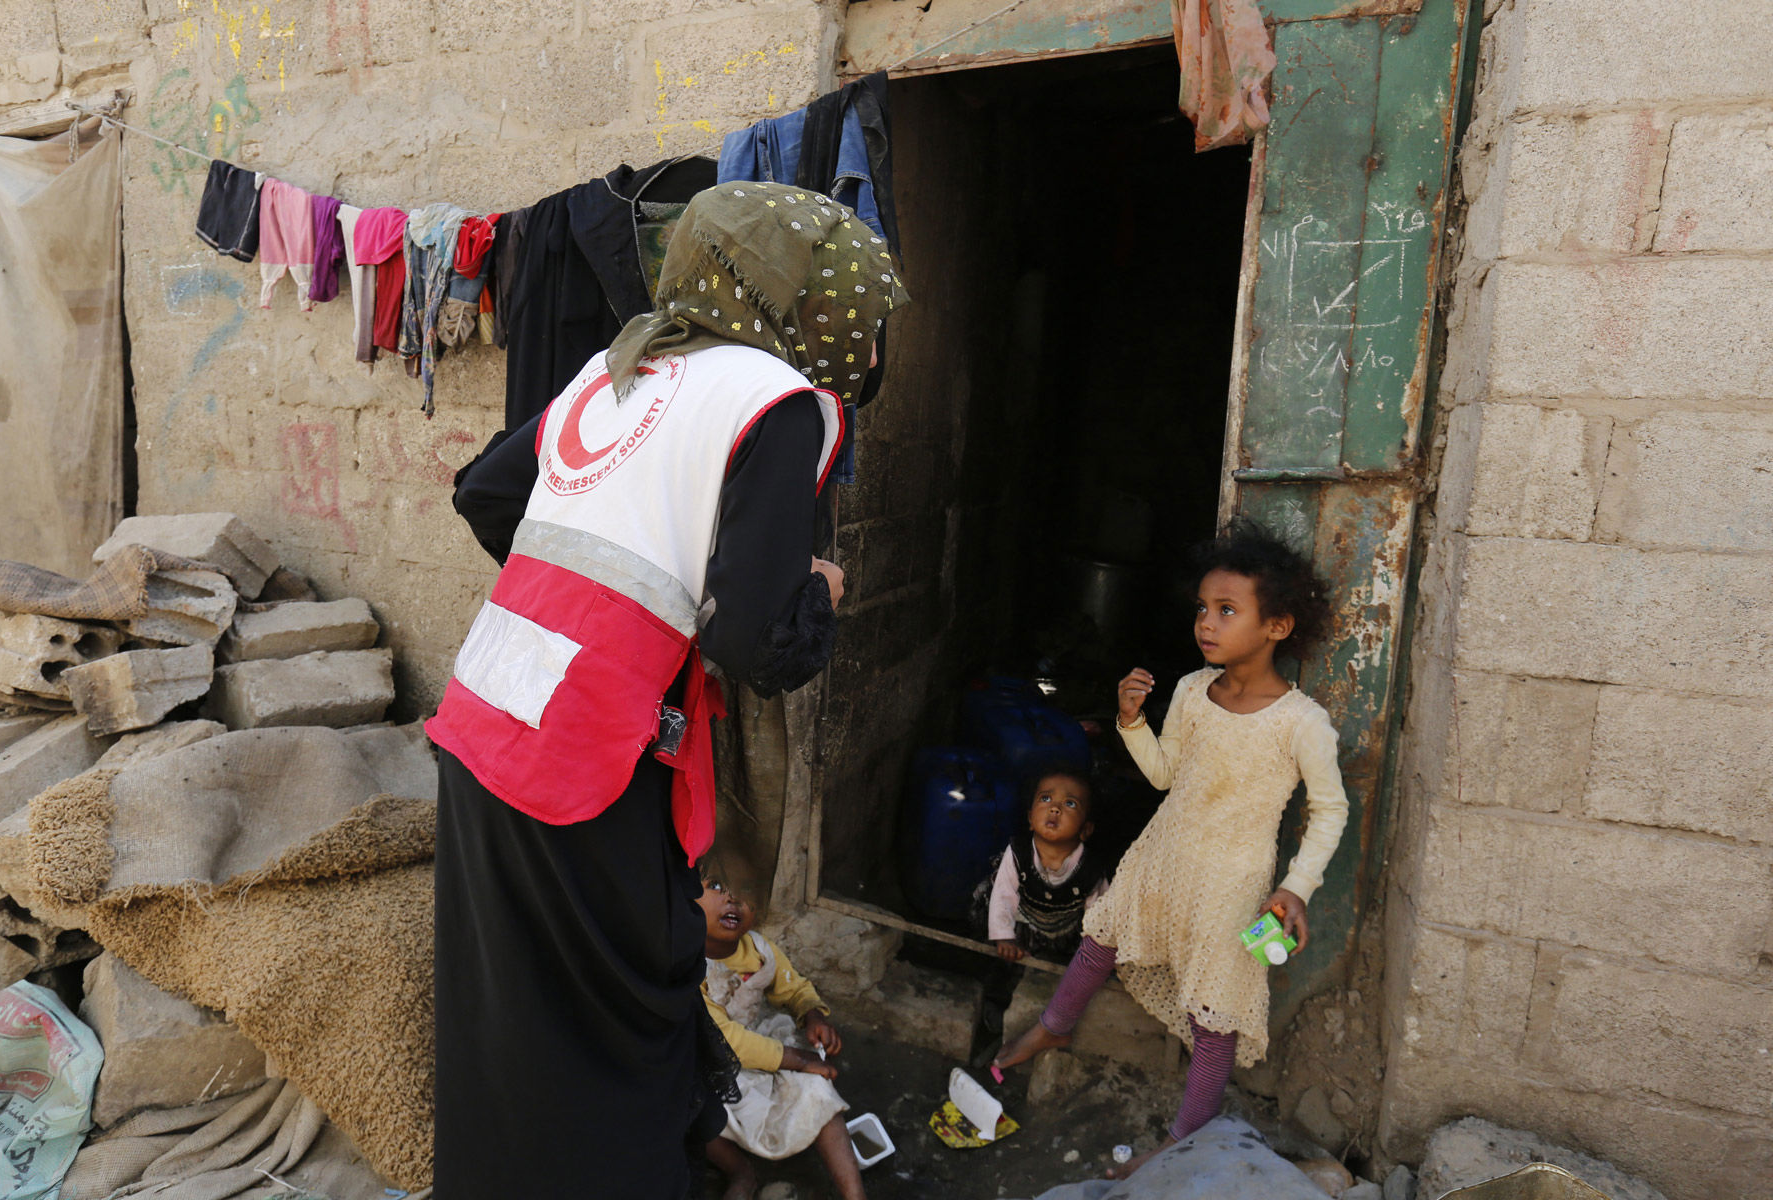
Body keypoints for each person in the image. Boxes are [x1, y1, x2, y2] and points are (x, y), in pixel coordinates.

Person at [426, 181, 908, 1200]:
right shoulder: (784, 403)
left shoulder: (624, 370)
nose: (865, 354)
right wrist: (818, 594)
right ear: (804, 303)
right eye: (858, 321)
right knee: (628, 1018)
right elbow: (757, 641)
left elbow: (485, 491)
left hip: (486, 712)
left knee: (510, 1021)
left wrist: (590, 590)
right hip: (586, 755)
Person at [991, 522, 1349, 1178]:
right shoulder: (1190, 691)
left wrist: (1295, 885)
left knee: (1213, 1011)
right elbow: (1163, 777)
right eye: (1203, 609)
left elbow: (1331, 811)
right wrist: (1130, 721)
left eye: (1228, 611)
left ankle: (1185, 1136)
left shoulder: (1302, 723)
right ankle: (1056, 1023)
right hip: (1162, 854)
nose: (1207, 623)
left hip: (1232, 881)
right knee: (1101, 937)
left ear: (1277, 627)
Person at [697, 873, 868, 1200]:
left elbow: (794, 988)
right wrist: (801, 1061)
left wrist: (812, 1014)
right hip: (706, 1063)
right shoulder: (687, 967)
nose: (733, 898)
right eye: (717, 886)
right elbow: (727, 1040)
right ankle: (741, 1173)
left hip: (757, 1050)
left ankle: (855, 1195)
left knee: (819, 1091)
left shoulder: (760, 951)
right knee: (684, 1107)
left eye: (746, 888)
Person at [978, 768, 1112, 963]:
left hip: (1062, 934)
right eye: (1046, 799)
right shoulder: (1018, 852)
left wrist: (1096, 952)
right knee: (1003, 963)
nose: (1055, 808)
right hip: (1020, 924)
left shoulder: (1090, 870)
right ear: (1031, 818)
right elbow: (1003, 895)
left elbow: (1100, 915)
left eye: (1070, 803)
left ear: (1085, 829)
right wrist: (1004, 937)